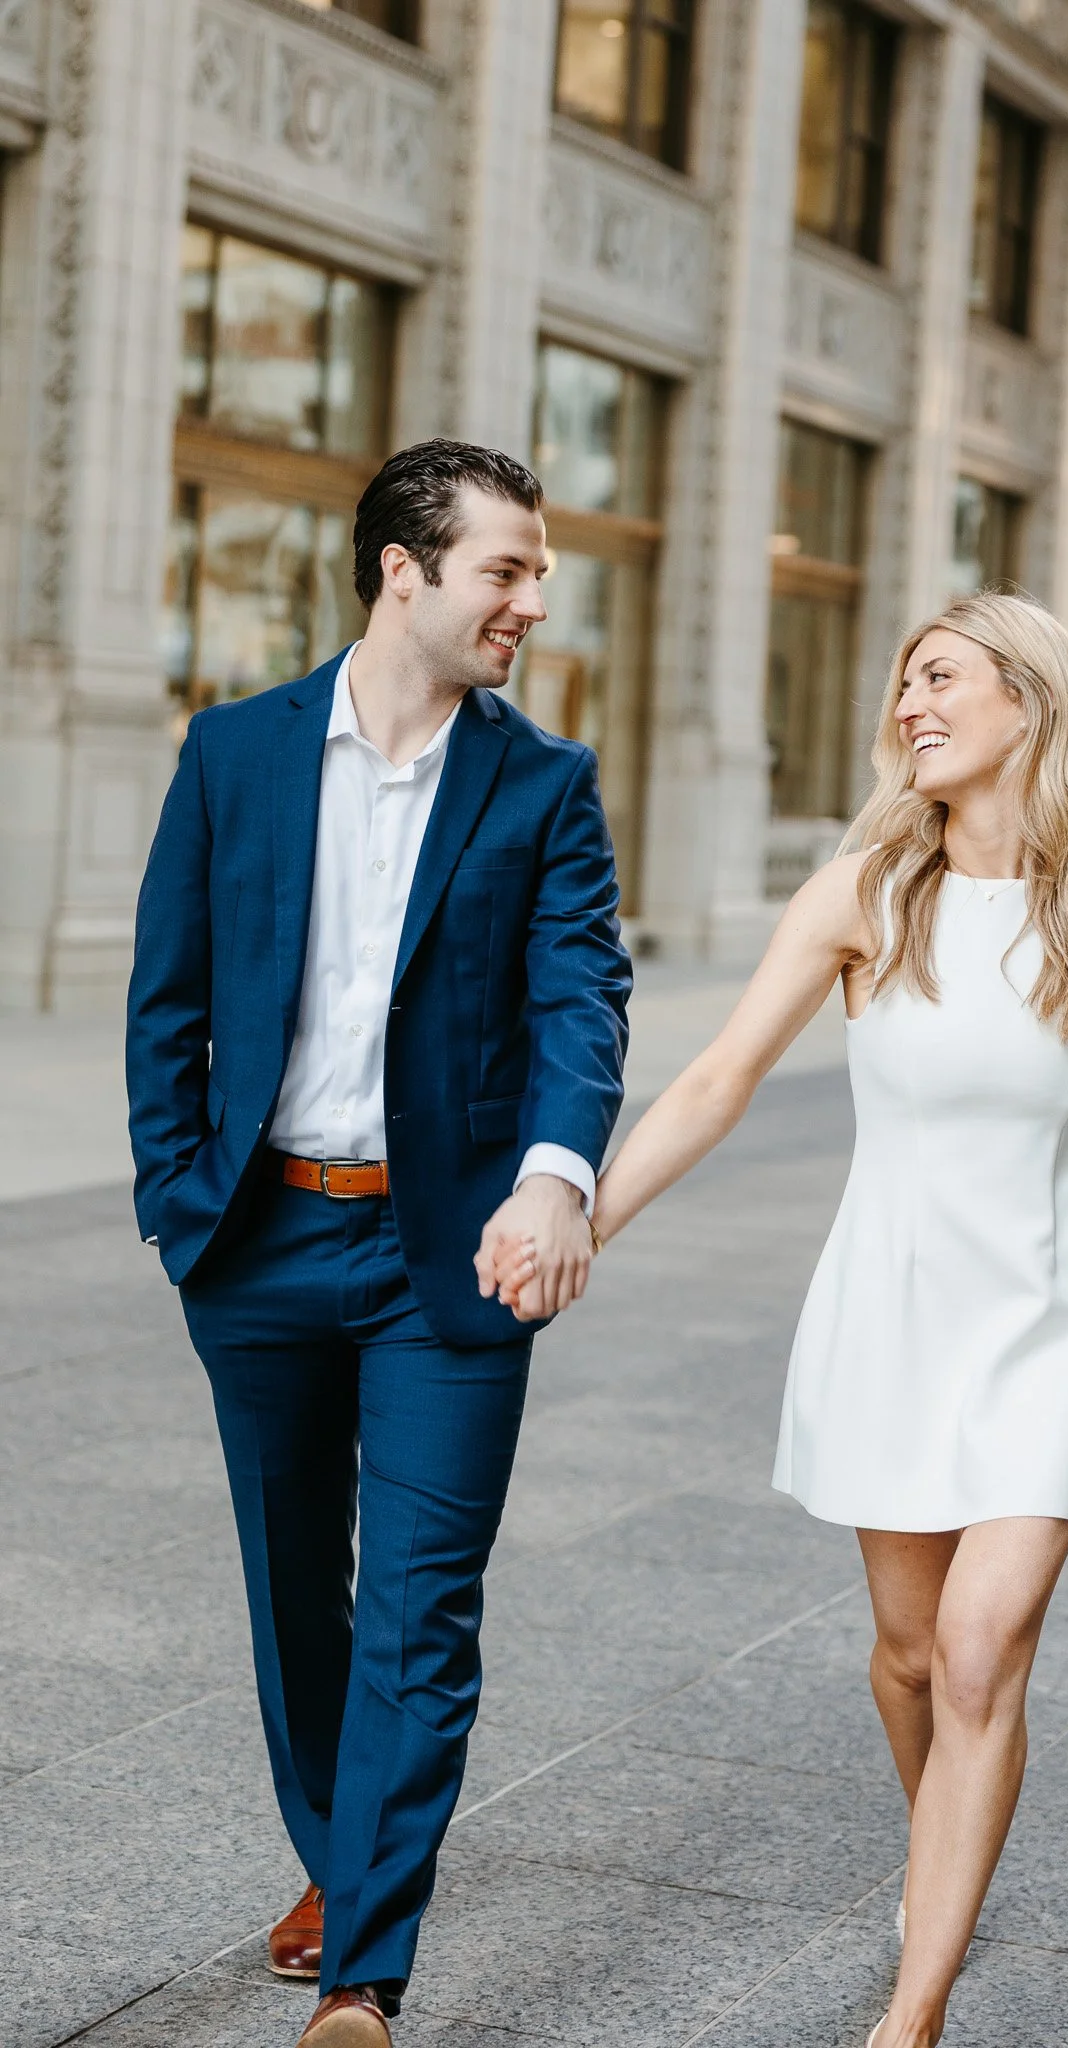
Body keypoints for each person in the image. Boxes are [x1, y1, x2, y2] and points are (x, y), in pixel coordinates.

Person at [493, 590, 1068, 2048]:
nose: (910, 706)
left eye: (941, 677)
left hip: (1049, 1315)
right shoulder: (863, 896)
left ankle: (914, 2009)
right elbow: (714, 1083)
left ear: (1029, 697)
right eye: (904, 685)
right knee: (906, 1656)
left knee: (977, 1654)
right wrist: (584, 1214)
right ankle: (945, 1842)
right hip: (890, 1310)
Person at [126, 440, 631, 2047]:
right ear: (404, 572)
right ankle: (344, 1858)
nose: (533, 602)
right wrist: (174, 1207)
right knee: (298, 1598)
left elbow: (583, 998)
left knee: (423, 1602)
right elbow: (171, 1002)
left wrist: (556, 1175)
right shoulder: (235, 754)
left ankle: (366, 1971)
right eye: (507, 570)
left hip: (453, 1262)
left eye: (539, 572)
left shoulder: (544, 783)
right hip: (260, 1240)